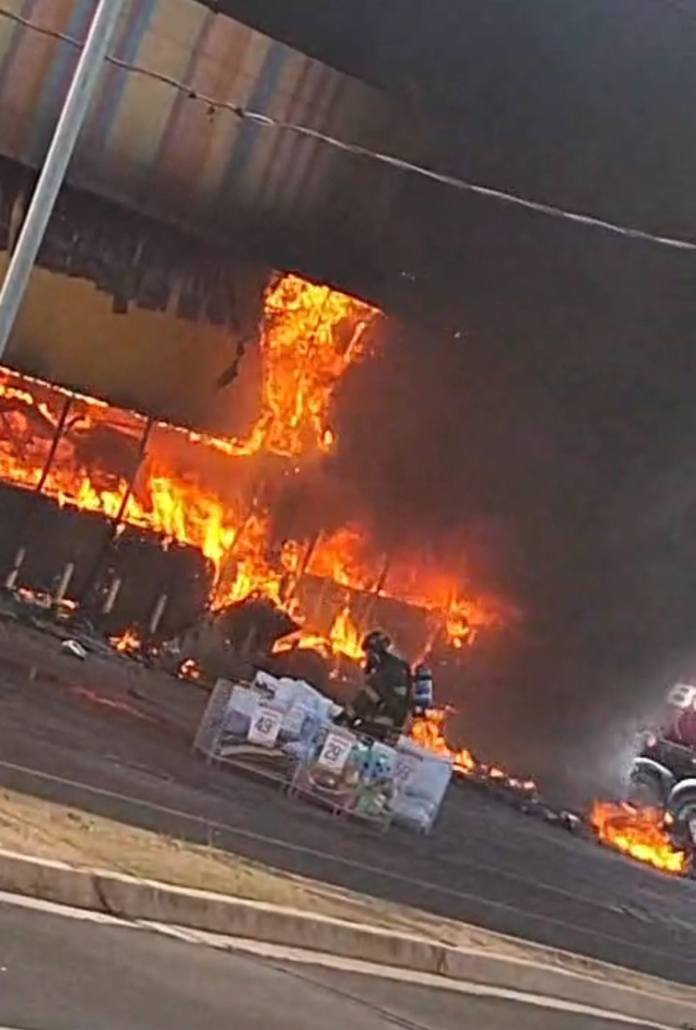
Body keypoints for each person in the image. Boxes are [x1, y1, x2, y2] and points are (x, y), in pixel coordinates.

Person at [336, 629, 412, 741]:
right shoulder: (398, 667)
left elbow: (365, 698)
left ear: (376, 652)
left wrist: (345, 717)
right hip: (394, 726)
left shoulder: (386, 670)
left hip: (382, 723)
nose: (367, 658)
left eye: (368, 653)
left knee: (349, 737)